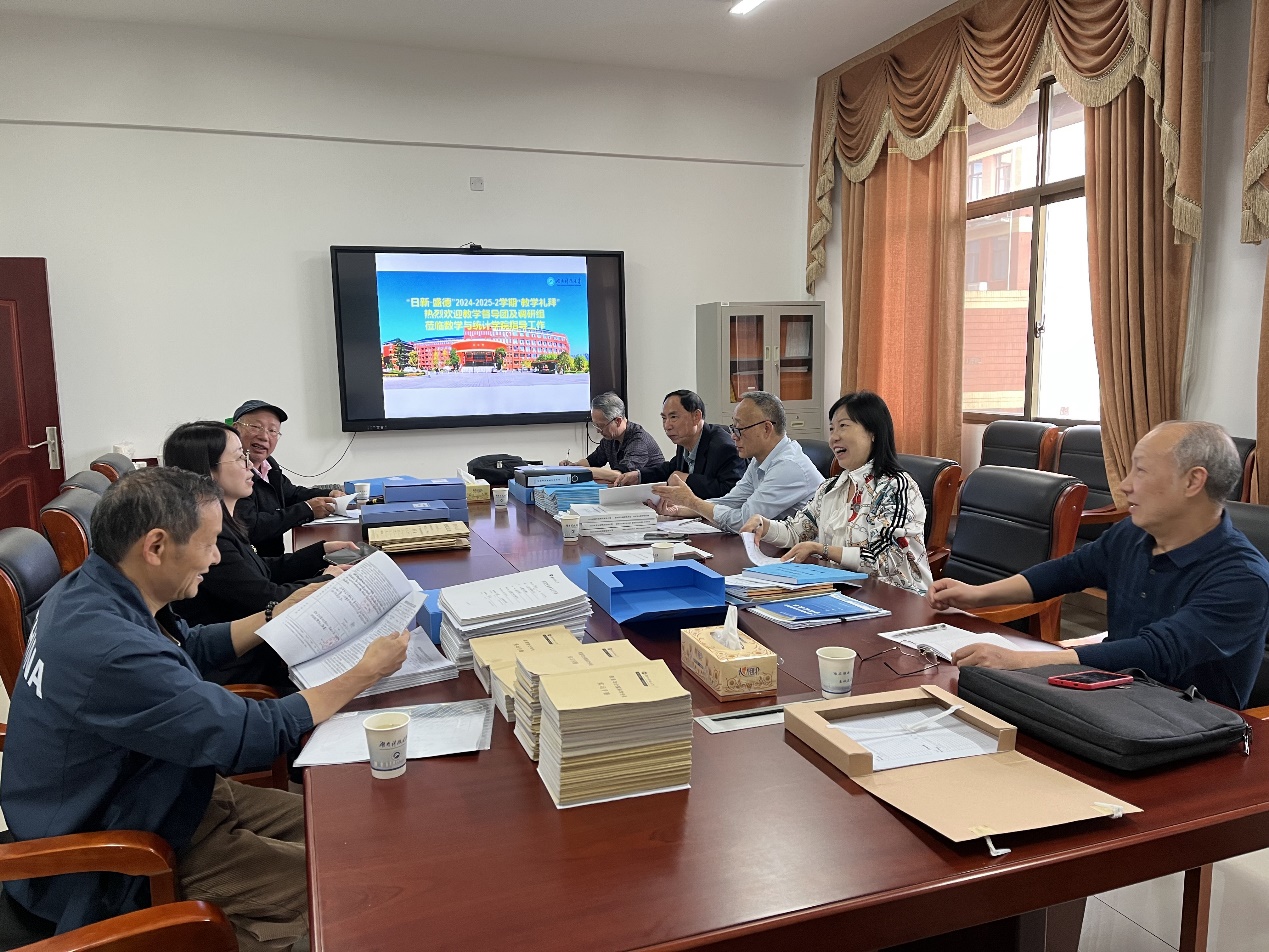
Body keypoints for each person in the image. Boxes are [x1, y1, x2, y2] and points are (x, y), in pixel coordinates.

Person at [0, 467, 408, 951]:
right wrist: (364, 672)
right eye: (209, 543)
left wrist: (279, 612)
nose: (216, 557)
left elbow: (186, 644)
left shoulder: (89, 589)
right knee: (358, 887)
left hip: (166, 791)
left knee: (352, 827)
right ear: (155, 546)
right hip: (126, 851)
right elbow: (253, 733)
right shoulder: (111, 649)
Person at [929, 421, 1269, 710]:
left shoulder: (1243, 577)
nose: (1125, 485)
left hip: (1191, 723)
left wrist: (1022, 661)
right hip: (1115, 697)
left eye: (1141, 471)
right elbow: (1066, 572)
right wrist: (977, 595)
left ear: (1193, 481)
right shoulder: (1133, 533)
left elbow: (1157, 652)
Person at [165, 421, 358, 688]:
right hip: (246, 665)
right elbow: (265, 599)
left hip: (263, 646)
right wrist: (326, 580)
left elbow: (258, 570)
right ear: (208, 472)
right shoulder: (207, 536)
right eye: (239, 458)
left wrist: (319, 553)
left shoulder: (225, 522)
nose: (251, 466)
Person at [743, 391, 932, 595]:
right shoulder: (831, 487)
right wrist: (765, 525)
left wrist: (823, 550)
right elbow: (797, 532)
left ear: (873, 432)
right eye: (832, 428)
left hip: (898, 599)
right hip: (847, 593)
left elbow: (888, 558)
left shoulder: (896, 487)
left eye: (843, 426)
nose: (834, 437)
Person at [651, 390, 822, 532]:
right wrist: (679, 509)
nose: (733, 436)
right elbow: (730, 502)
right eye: (733, 428)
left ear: (766, 428)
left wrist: (691, 501)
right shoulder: (759, 461)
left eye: (740, 428)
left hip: (814, 555)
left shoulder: (788, 466)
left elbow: (745, 521)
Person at [232, 400, 344, 558]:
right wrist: (307, 510)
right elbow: (251, 526)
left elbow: (291, 494)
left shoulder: (269, 465)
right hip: (254, 563)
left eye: (273, 431)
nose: (264, 436)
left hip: (276, 560)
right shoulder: (231, 475)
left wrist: (330, 494)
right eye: (256, 427)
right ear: (235, 429)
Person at [613, 389, 747, 498]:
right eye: (664, 418)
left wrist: (687, 479)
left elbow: (732, 492)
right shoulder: (686, 439)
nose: (667, 426)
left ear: (696, 417)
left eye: (673, 417)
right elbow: (671, 468)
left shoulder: (724, 447)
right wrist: (638, 476)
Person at [559, 392, 665, 483]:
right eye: (595, 425)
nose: (598, 431)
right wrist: (573, 466)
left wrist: (581, 471)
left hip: (653, 494)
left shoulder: (639, 441)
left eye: (600, 426)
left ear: (618, 421)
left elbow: (620, 475)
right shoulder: (610, 439)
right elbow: (592, 461)